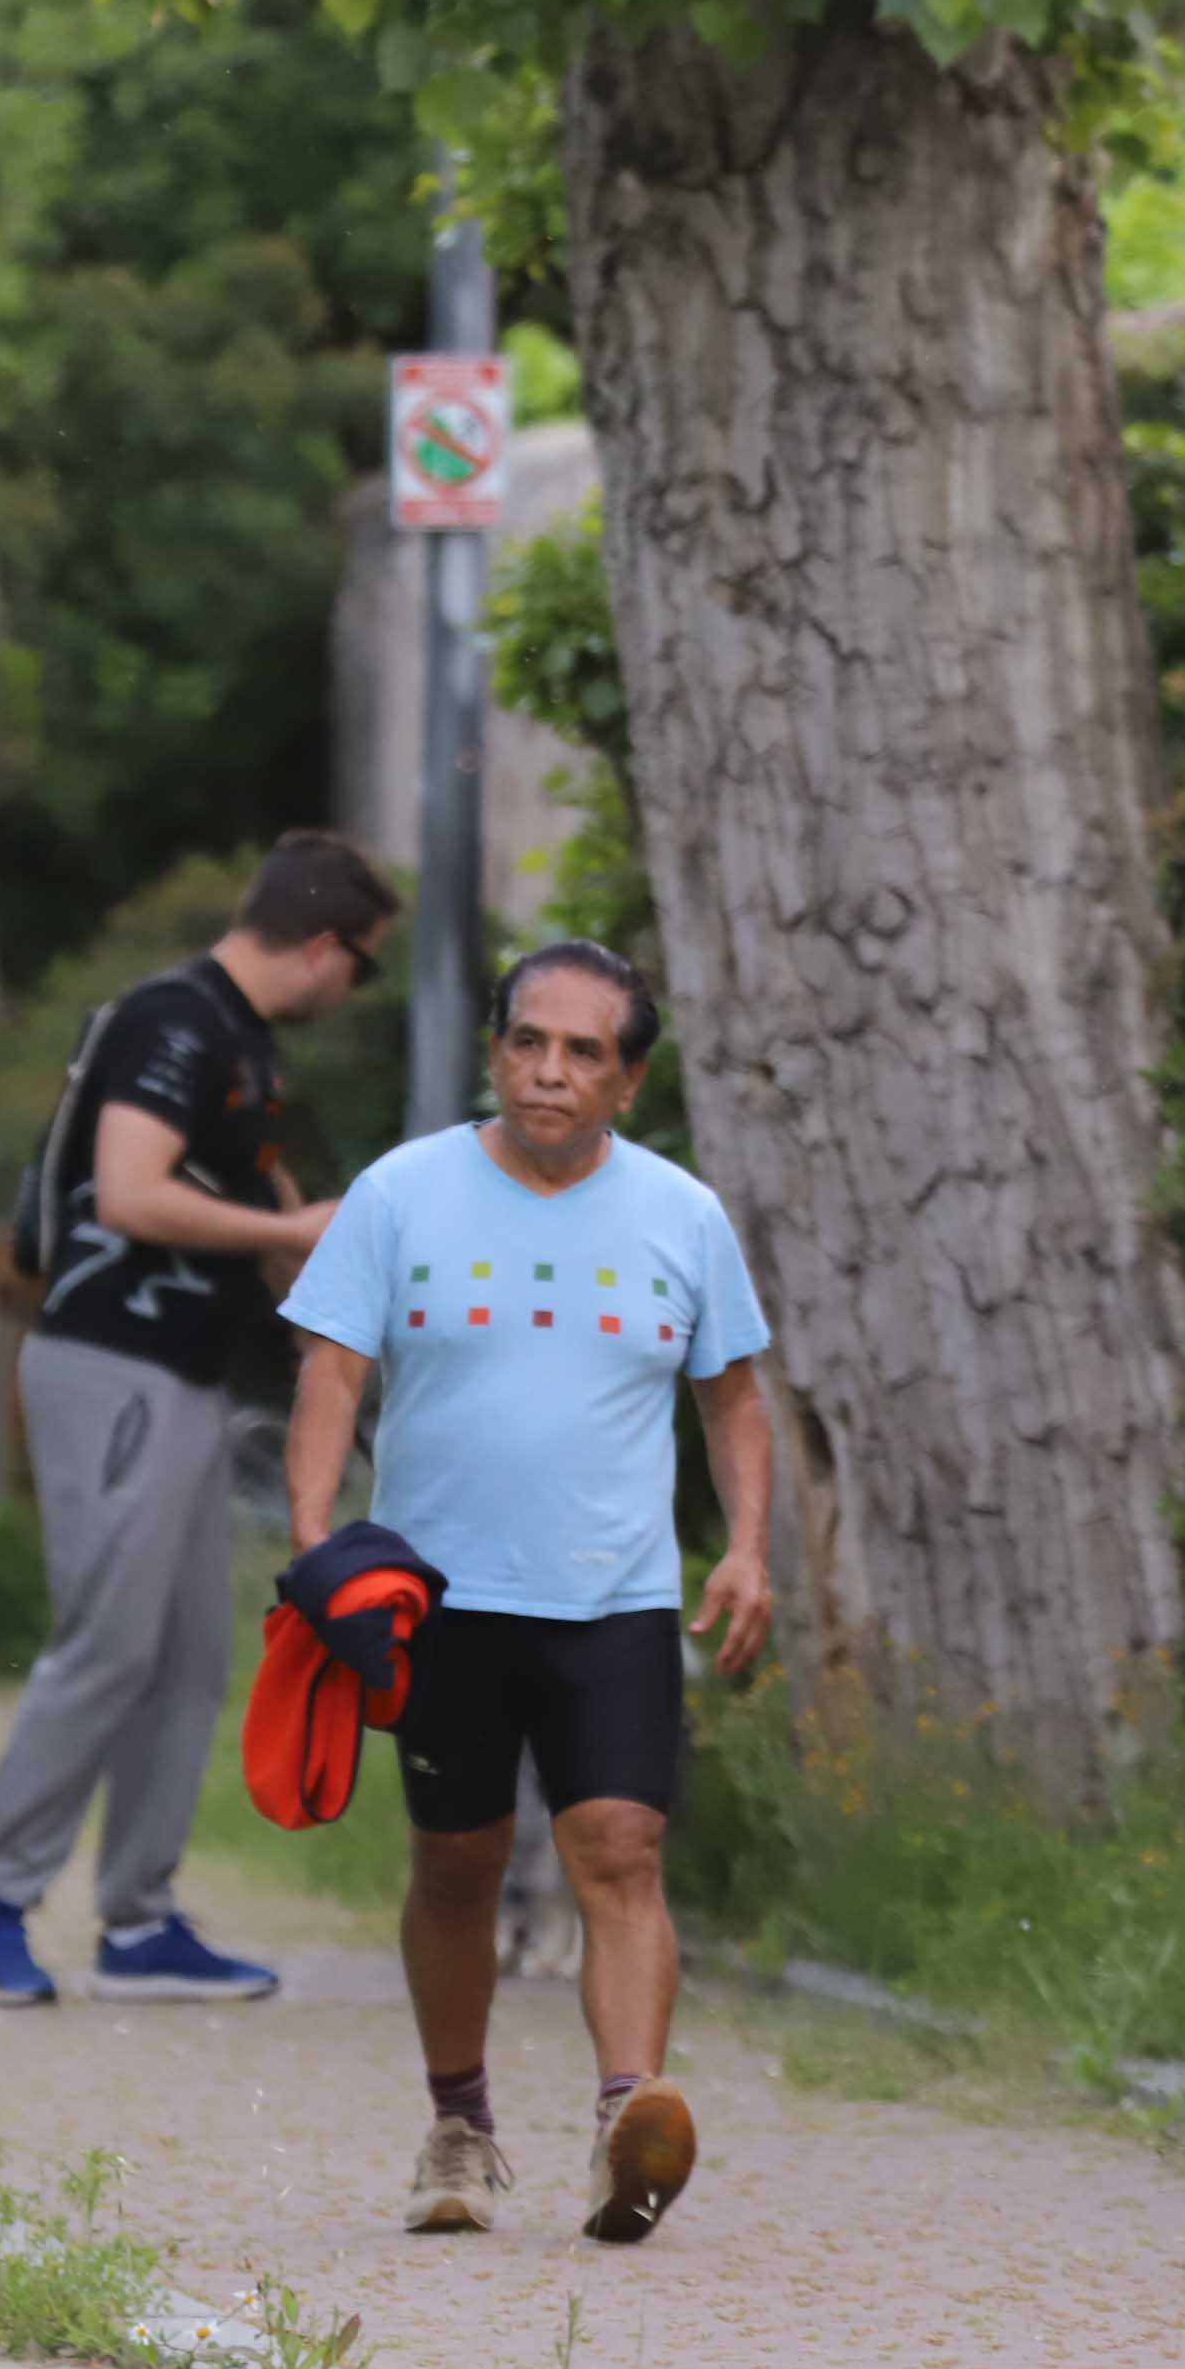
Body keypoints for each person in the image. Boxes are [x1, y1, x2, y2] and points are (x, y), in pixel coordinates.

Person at [279, 938, 774, 2245]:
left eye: (583, 1053)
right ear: (495, 1050)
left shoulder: (684, 1215)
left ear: (629, 1079)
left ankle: (628, 2121)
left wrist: (745, 1545)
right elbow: (332, 1371)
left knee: (620, 1848)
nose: (549, 1072)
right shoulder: (400, 1194)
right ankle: (461, 2125)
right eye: (528, 1043)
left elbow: (732, 1394)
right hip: (436, 1593)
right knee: (460, 1861)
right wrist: (317, 1539)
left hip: (614, 1593)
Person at [0, 830, 393, 2009]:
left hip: (185, 1379)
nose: (358, 990)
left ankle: (138, 1921)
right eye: (365, 964)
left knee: (190, 1655)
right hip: (112, 1365)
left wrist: (334, 1316)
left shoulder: (242, 1044)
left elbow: (274, 1205)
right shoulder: (173, 1022)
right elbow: (136, 1195)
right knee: (108, 1642)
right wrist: (294, 1237)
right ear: (320, 944)